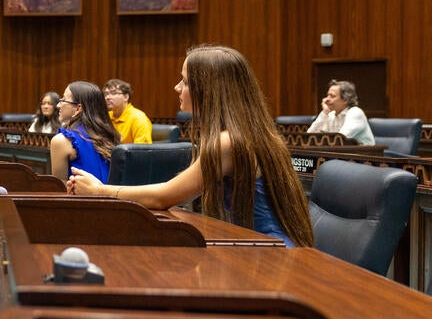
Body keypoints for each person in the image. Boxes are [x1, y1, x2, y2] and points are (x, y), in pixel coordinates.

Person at [68, 45, 315, 248]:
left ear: (207, 89)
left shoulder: (227, 142)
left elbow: (164, 196)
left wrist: (100, 191)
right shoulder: (249, 133)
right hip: (262, 247)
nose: (177, 87)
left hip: (271, 254)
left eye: (184, 81)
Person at [50, 82, 120, 182]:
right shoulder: (110, 135)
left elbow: (61, 190)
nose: (58, 105)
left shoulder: (61, 141)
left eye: (63, 100)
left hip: (80, 197)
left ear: (78, 108)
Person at [307, 79, 374, 145]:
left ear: (345, 100)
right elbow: (309, 137)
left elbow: (339, 139)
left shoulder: (355, 113)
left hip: (364, 154)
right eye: (327, 95)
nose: (327, 99)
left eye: (332, 96)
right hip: (341, 153)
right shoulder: (331, 115)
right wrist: (325, 113)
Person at [104, 78, 152, 144]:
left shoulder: (138, 118)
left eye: (113, 93)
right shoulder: (106, 116)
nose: (107, 97)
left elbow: (142, 151)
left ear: (126, 97)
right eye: (106, 94)